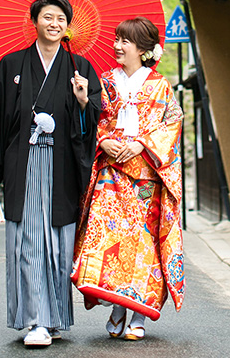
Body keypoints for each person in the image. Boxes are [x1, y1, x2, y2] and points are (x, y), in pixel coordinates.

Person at [0, 0, 101, 347]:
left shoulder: (80, 69)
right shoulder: (11, 65)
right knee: (28, 241)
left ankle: (55, 317)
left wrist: (82, 101)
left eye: (61, 19)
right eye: (48, 17)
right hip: (21, 163)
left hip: (61, 166)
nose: (54, 23)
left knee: (59, 244)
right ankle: (35, 320)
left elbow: (94, 121)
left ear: (68, 26)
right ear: (35, 21)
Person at [71, 17, 184, 340]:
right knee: (108, 239)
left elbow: (172, 124)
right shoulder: (104, 81)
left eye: (126, 41)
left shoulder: (160, 85)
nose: (118, 46)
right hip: (111, 171)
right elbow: (97, 117)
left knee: (142, 244)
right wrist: (101, 137)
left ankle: (137, 313)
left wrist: (141, 143)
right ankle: (116, 306)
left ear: (144, 49)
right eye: (117, 39)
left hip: (145, 174)